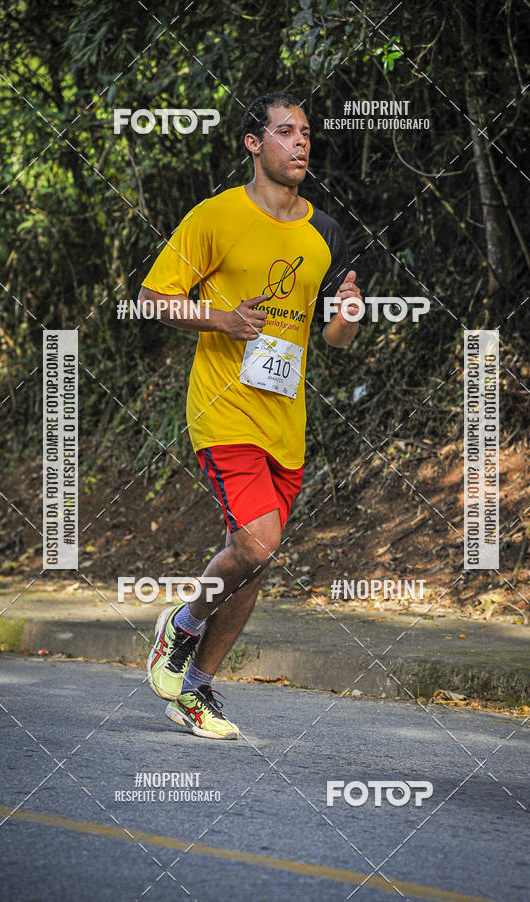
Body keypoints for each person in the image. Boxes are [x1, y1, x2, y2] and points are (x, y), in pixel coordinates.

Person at [140, 91, 362, 739]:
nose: (300, 143)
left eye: (307, 134)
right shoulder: (215, 217)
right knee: (257, 541)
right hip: (223, 410)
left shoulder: (326, 233)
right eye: (285, 132)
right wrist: (223, 319)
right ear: (253, 144)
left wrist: (348, 317)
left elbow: (334, 339)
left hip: (284, 423)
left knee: (256, 561)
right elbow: (155, 299)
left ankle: (197, 688)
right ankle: (180, 627)